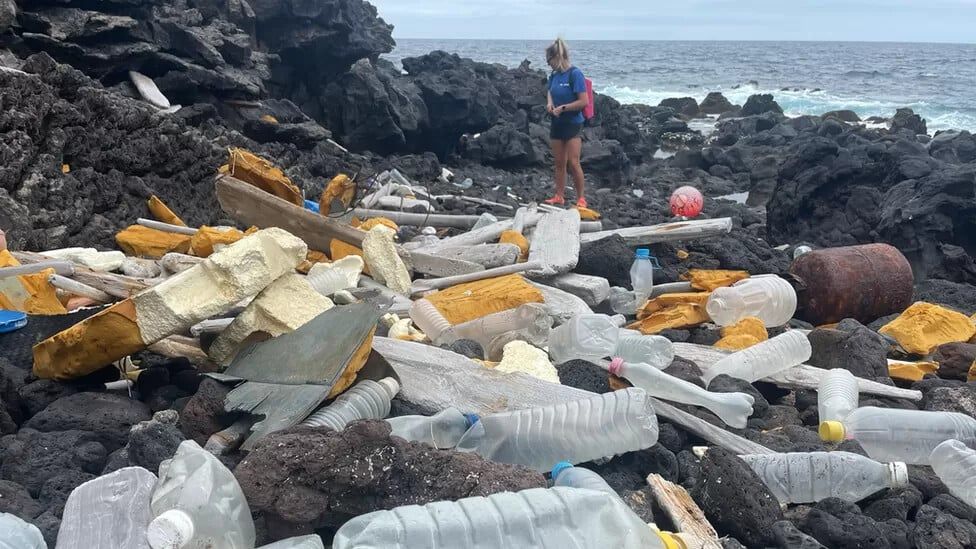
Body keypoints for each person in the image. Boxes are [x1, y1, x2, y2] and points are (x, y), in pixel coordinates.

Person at [544, 38, 589, 207]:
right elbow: (550, 90)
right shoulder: (554, 75)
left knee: (573, 162)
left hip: (573, 123)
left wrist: (563, 108)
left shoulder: (574, 74)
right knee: (559, 163)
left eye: (549, 61)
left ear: (557, 57)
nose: (549, 65)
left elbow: (583, 101)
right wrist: (550, 104)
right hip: (557, 123)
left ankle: (581, 198)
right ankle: (559, 195)